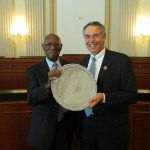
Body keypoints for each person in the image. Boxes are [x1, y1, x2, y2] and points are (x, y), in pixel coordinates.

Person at [80, 21, 138, 150]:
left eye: (95, 35)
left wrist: (104, 97)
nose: (91, 40)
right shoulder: (83, 62)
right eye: (87, 36)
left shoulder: (121, 60)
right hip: (87, 128)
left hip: (112, 131)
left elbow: (132, 95)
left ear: (104, 37)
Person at [26, 33, 77, 150]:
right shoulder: (33, 70)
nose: (53, 47)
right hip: (43, 130)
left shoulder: (71, 67)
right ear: (43, 46)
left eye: (56, 44)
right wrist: (47, 85)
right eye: (49, 44)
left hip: (66, 128)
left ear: (61, 46)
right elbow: (31, 99)